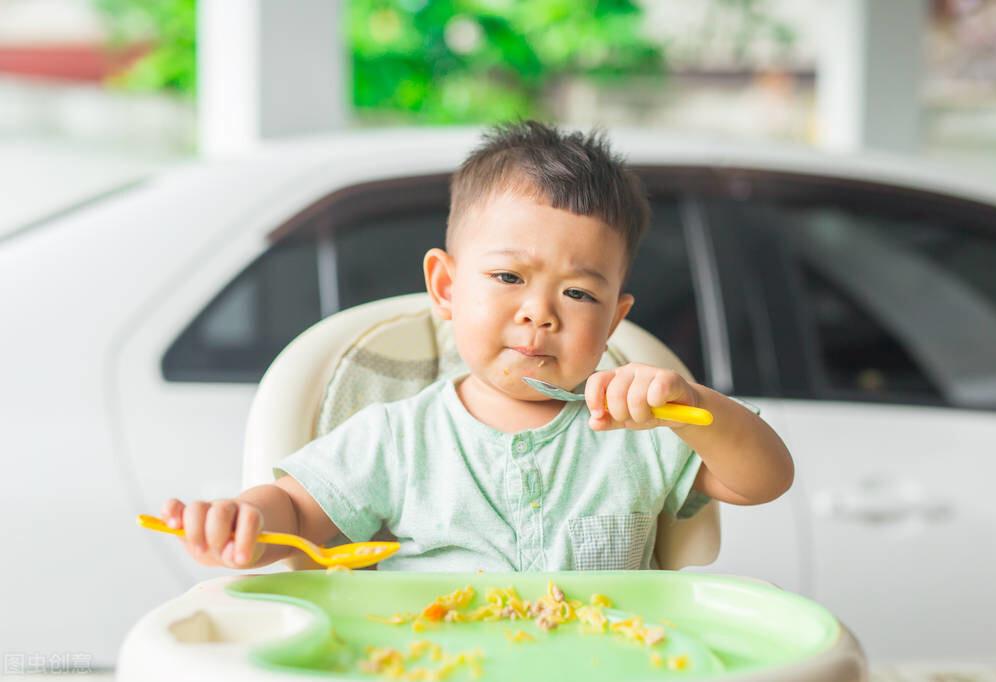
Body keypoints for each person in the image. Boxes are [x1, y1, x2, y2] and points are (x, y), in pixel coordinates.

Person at [161, 121, 793, 572]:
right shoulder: (398, 438)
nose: (539, 313)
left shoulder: (644, 428)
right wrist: (244, 521)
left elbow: (764, 478)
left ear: (613, 319)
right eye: (509, 278)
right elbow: (298, 515)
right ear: (445, 286)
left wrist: (692, 406)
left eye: (578, 295)